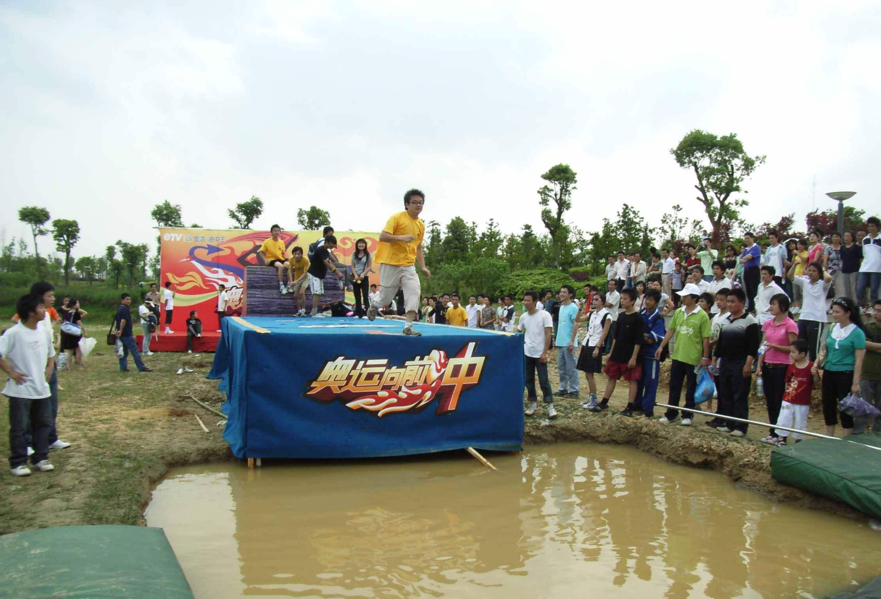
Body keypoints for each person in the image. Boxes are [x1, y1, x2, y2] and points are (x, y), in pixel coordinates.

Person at [1, 294, 57, 476]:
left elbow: (51, 352)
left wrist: (49, 368)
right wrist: (11, 373)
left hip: (41, 389)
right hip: (21, 389)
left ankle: (41, 457)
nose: (44, 310)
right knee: (20, 427)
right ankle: (18, 463)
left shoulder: (43, 332)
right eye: (40, 307)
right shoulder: (14, 333)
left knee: (44, 424)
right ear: (31, 312)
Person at [367, 189, 431, 336]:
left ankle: (408, 326)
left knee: (414, 291)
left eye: (421, 202)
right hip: (390, 262)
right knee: (386, 297)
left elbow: (418, 247)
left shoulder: (420, 225)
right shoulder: (397, 218)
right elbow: (383, 236)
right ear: (407, 204)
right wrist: (402, 237)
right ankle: (375, 305)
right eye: (414, 202)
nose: (418, 205)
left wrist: (423, 266)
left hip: (408, 265)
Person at [656, 283, 712, 425]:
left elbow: (706, 338)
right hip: (678, 355)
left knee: (691, 387)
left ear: (694, 298)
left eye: (685, 296)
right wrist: (662, 346)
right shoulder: (679, 312)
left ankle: (687, 414)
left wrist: (705, 357)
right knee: (674, 386)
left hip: (694, 358)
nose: (682, 298)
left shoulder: (702, 316)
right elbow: (671, 330)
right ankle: (671, 414)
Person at [712, 288, 760, 438]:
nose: (729, 304)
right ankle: (729, 423)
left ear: (742, 303)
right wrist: (715, 358)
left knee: (739, 395)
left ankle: (740, 426)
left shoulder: (750, 321)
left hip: (740, 362)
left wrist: (748, 364)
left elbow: (753, 346)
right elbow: (721, 342)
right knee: (725, 393)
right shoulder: (726, 320)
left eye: (733, 302)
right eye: (728, 301)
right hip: (725, 362)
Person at [815, 297, 865, 437]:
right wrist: (817, 363)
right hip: (829, 371)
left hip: (846, 373)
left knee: (845, 407)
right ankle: (829, 436)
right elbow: (825, 349)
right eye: (834, 311)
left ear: (848, 313)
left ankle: (845, 438)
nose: (835, 314)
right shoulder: (832, 328)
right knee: (828, 404)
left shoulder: (857, 333)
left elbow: (859, 360)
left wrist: (855, 383)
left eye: (838, 312)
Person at [588, 287, 642, 414]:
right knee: (611, 377)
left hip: (629, 354)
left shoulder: (637, 318)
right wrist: (611, 353)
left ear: (632, 301)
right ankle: (604, 402)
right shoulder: (621, 316)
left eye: (625, 299)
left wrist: (634, 357)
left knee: (632, 380)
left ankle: (629, 407)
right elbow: (616, 338)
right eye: (621, 298)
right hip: (617, 353)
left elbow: (638, 340)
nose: (622, 301)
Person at [756, 293, 799, 444]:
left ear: (783, 306)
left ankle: (782, 435)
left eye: (774, 304)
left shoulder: (790, 324)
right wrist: (759, 364)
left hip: (782, 367)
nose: (772, 307)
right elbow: (763, 346)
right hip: (768, 366)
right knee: (770, 401)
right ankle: (773, 431)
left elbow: (793, 348)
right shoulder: (768, 324)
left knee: (780, 401)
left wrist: (775, 346)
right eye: (771, 304)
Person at [518, 291, 555, 419]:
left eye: (528, 300)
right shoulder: (523, 316)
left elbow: (548, 334)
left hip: (540, 354)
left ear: (535, 301)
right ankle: (533, 403)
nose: (526, 303)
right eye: (524, 300)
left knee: (543, 380)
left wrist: (544, 352)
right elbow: (519, 331)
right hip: (527, 353)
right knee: (528, 380)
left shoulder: (544, 315)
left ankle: (550, 405)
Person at [775, 339, 817, 446]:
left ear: (802, 354)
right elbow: (787, 381)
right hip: (788, 399)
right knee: (784, 417)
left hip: (803, 400)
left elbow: (816, 381)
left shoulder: (811, 366)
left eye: (793, 352)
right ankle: (782, 438)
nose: (791, 354)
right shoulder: (791, 367)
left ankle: (798, 440)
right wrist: (786, 396)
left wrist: (815, 373)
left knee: (801, 419)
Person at [788, 260, 832, 361]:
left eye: (814, 271)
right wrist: (794, 265)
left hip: (817, 318)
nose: (811, 273)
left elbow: (828, 278)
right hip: (804, 317)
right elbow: (790, 277)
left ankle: (814, 367)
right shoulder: (805, 282)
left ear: (819, 273)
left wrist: (823, 269)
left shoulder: (823, 285)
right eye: (810, 270)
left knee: (814, 348)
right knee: (800, 346)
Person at [635, 288, 666, 418]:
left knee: (650, 382)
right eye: (647, 299)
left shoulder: (658, 318)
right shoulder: (641, 314)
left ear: (656, 302)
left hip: (651, 355)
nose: (647, 301)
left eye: (651, 300)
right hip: (640, 354)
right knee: (638, 380)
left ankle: (648, 408)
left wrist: (642, 336)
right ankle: (637, 404)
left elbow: (651, 339)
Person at [576, 294, 611, 410]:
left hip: (595, 344)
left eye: (597, 299)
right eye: (593, 299)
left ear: (603, 301)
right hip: (587, 343)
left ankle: (594, 398)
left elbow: (604, 333)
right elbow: (577, 320)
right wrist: (580, 309)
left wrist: (597, 347)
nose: (594, 301)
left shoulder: (606, 315)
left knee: (590, 373)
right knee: (587, 373)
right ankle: (591, 395)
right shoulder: (592, 314)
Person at [856, 299, 881, 433]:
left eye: (879, 311)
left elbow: (868, 345)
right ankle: (858, 436)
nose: (875, 313)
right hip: (866, 373)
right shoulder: (868, 327)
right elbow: (863, 343)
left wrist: (873, 347)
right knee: (862, 408)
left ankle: (877, 436)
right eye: (875, 310)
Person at [307, 235, 345, 317]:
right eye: (331, 243)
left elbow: (330, 262)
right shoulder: (321, 250)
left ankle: (314, 311)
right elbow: (326, 263)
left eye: (333, 244)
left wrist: (338, 271)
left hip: (319, 275)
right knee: (317, 293)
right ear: (326, 242)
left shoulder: (326, 251)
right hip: (314, 274)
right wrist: (337, 272)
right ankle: (314, 312)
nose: (332, 245)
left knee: (320, 293)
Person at [115, 294, 152, 373]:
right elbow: (123, 320)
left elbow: (117, 321)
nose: (129, 301)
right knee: (135, 351)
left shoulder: (119, 308)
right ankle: (141, 367)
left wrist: (118, 330)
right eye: (127, 299)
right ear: (122, 300)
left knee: (123, 351)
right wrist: (121, 330)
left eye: (129, 299)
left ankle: (123, 367)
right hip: (127, 334)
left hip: (121, 334)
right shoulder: (125, 309)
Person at [555, 285, 580, 399]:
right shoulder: (562, 307)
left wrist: (572, 341)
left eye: (564, 292)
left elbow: (576, 323)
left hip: (569, 342)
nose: (561, 294)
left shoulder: (573, 307)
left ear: (570, 294)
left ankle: (574, 390)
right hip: (561, 342)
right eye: (561, 292)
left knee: (571, 367)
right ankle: (563, 388)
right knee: (561, 367)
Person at [259, 224, 293, 295]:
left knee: (289, 265)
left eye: (278, 231)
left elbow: (283, 253)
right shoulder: (267, 241)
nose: (276, 232)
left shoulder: (281, 242)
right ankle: (281, 286)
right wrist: (265, 260)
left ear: (280, 232)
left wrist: (287, 258)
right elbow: (261, 253)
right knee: (281, 266)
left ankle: (289, 285)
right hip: (272, 259)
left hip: (281, 259)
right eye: (275, 231)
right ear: (271, 232)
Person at [857, 216, 881, 310]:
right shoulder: (865, 239)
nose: (871, 228)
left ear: (877, 227)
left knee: (874, 290)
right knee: (860, 288)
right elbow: (864, 254)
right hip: (864, 268)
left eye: (873, 226)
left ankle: (873, 307)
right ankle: (862, 306)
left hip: (877, 268)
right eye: (869, 226)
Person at [58, 298, 87, 369]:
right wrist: (84, 331)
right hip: (75, 334)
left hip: (68, 333)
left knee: (70, 351)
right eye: (77, 303)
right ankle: (79, 365)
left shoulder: (67, 312)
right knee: (78, 350)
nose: (78, 304)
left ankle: (69, 366)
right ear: (74, 305)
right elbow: (79, 323)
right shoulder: (76, 313)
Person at [350, 239, 373, 319]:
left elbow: (369, 266)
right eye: (359, 243)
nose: (361, 245)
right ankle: (358, 313)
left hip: (364, 277)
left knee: (365, 295)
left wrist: (363, 274)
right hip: (356, 277)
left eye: (363, 243)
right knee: (357, 296)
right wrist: (355, 275)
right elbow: (352, 266)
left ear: (365, 245)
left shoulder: (368, 254)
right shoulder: (354, 254)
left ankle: (367, 314)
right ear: (357, 245)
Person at [739, 232, 762, 313]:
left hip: (754, 270)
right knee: (748, 289)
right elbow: (741, 260)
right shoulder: (746, 249)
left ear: (752, 238)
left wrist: (745, 259)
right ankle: (751, 306)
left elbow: (749, 257)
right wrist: (745, 259)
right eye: (745, 238)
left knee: (754, 289)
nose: (746, 240)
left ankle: (756, 306)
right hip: (746, 270)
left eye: (748, 238)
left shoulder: (756, 247)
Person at [287, 246, 310, 317]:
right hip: (296, 278)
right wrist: (291, 281)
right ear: (293, 254)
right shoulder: (291, 259)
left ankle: (303, 310)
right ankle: (299, 311)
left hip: (305, 278)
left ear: (301, 254)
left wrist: (296, 281)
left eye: (298, 254)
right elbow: (290, 270)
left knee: (301, 292)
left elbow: (305, 273)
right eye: (295, 254)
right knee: (295, 296)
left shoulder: (305, 260)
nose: (297, 256)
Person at [839, 231, 861, 302]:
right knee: (846, 289)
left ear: (852, 238)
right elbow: (842, 259)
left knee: (854, 288)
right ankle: (848, 303)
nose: (846, 238)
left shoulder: (857, 247)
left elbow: (860, 259)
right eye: (845, 236)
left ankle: (855, 304)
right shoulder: (842, 248)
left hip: (854, 270)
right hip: (845, 270)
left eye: (848, 236)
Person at [824, 232, 845, 303]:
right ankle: (829, 304)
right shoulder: (828, 248)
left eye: (837, 237)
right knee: (829, 287)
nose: (835, 238)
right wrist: (825, 270)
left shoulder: (843, 248)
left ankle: (839, 303)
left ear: (840, 238)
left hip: (841, 270)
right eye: (833, 237)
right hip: (831, 270)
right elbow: (825, 260)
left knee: (840, 288)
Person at [790, 239, 809, 313]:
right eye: (798, 244)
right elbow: (792, 263)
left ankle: (803, 306)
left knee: (802, 292)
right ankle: (797, 306)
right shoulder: (796, 254)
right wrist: (794, 256)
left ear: (804, 246)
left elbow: (804, 260)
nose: (799, 246)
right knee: (796, 292)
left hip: (802, 275)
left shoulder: (806, 253)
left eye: (801, 244)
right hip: (795, 274)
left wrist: (797, 253)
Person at [604, 280, 621, 354]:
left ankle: (609, 350)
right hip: (606, 316)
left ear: (615, 286)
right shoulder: (607, 294)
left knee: (611, 335)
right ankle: (605, 349)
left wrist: (602, 303)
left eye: (612, 285)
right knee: (606, 333)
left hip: (613, 317)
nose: (610, 286)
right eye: (609, 284)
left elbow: (609, 305)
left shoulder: (616, 294)